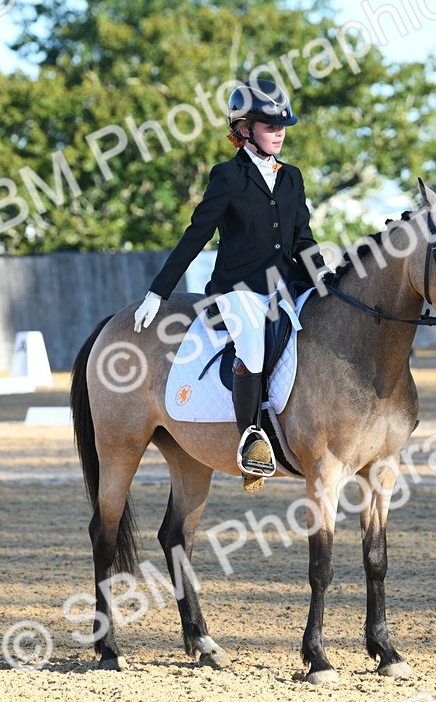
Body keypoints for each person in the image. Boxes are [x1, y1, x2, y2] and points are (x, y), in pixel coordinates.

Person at [132, 78, 332, 482]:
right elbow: (197, 233)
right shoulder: (228, 176)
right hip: (238, 290)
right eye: (269, 125)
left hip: (284, 286)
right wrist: (158, 291)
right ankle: (251, 439)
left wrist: (325, 281)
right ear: (244, 130)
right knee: (253, 349)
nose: (279, 132)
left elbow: (302, 240)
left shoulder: (292, 177)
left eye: (282, 125)